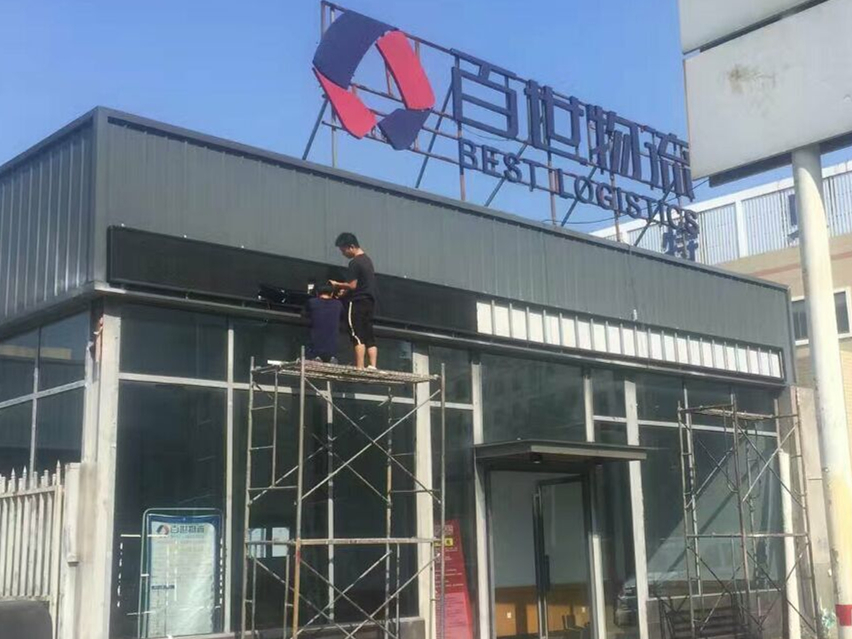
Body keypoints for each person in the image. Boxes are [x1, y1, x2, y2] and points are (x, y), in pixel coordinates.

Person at [329, 232, 378, 369]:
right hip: (369, 301)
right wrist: (344, 291)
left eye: (343, 250)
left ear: (351, 246)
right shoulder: (368, 260)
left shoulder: (355, 262)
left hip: (357, 301)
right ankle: (373, 365)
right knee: (369, 334)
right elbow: (361, 284)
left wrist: (337, 284)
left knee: (357, 334)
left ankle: (360, 366)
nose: (343, 253)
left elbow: (352, 285)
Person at [303, 283, 343, 363]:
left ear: (317, 293)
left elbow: (304, 314)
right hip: (332, 348)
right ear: (331, 294)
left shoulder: (312, 302)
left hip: (315, 346)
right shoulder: (338, 304)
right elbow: (342, 316)